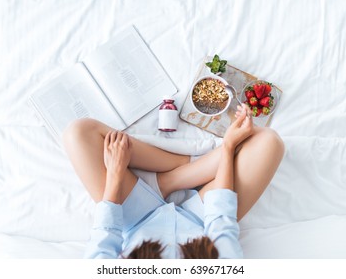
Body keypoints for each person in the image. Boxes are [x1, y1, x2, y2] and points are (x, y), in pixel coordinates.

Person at [62, 104, 284, 258]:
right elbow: (221, 220)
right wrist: (228, 147)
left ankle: (173, 175)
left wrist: (116, 173)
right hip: (201, 219)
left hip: (137, 219)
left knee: (79, 133)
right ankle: (179, 172)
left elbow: (105, 233)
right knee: (268, 141)